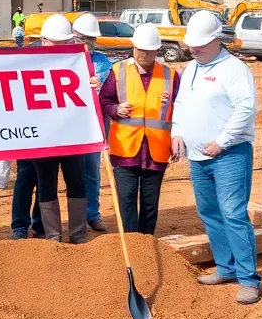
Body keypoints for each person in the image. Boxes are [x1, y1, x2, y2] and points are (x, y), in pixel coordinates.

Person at [174, 11, 260, 305]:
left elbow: (245, 109)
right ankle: (226, 268)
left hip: (230, 155)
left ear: (215, 40)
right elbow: (181, 104)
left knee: (233, 214)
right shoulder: (191, 68)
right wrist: (177, 133)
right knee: (209, 213)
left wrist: (222, 141)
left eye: (199, 45)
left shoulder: (234, 69)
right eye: (191, 44)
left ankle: (249, 280)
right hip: (198, 157)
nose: (193, 49)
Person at [101, 24, 179, 236]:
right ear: (133, 48)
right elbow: (104, 101)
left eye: (149, 50)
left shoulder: (170, 76)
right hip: (125, 149)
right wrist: (115, 109)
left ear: (157, 50)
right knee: (126, 198)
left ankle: (146, 241)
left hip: (157, 150)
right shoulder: (118, 72)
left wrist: (177, 137)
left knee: (150, 202)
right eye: (140, 49)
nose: (144, 54)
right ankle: (131, 242)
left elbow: (181, 110)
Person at [33, 14, 89, 243]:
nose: (59, 48)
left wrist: (92, 84)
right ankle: (53, 237)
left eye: (64, 43)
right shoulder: (28, 61)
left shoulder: (80, 60)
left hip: (72, 134)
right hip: (43, 135)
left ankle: (78, 235)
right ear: (43, 40)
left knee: (77, 182)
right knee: (46, 185)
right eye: (54, 44)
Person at [72, 13, 114, 233]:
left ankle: (92, 214)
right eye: (82, 38)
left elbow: (108, 92)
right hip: (69, 122)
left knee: (91, 169)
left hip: (94, 122)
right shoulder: (63, 58)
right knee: (67, 171)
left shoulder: (103, 62)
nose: (87, 44)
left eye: (91, 39)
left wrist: (99, 85)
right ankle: (72, 218)